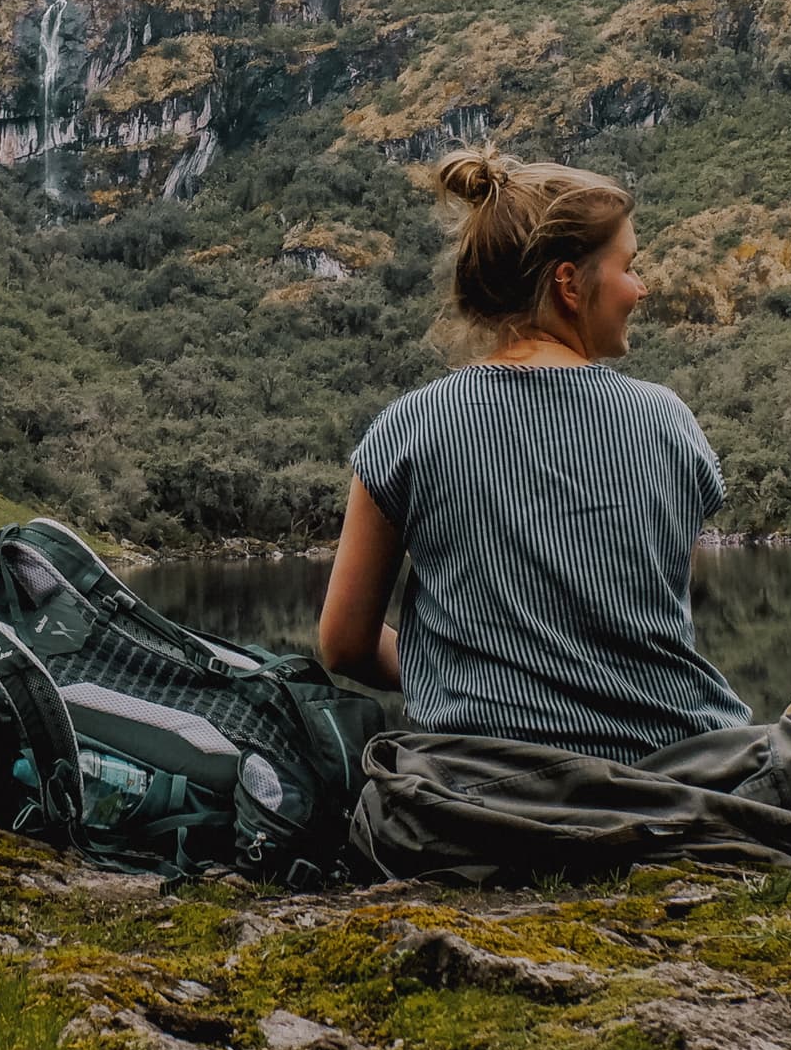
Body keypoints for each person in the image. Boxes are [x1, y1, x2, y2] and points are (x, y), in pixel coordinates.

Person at [314, 148, 750, 760]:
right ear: (570, 283)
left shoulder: (408, 428)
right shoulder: (667, 419)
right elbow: (644, 612)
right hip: (672, 768)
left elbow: (343, 646)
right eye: (629, 265)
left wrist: (462, 674)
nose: (642, 287)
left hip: (484, 783)